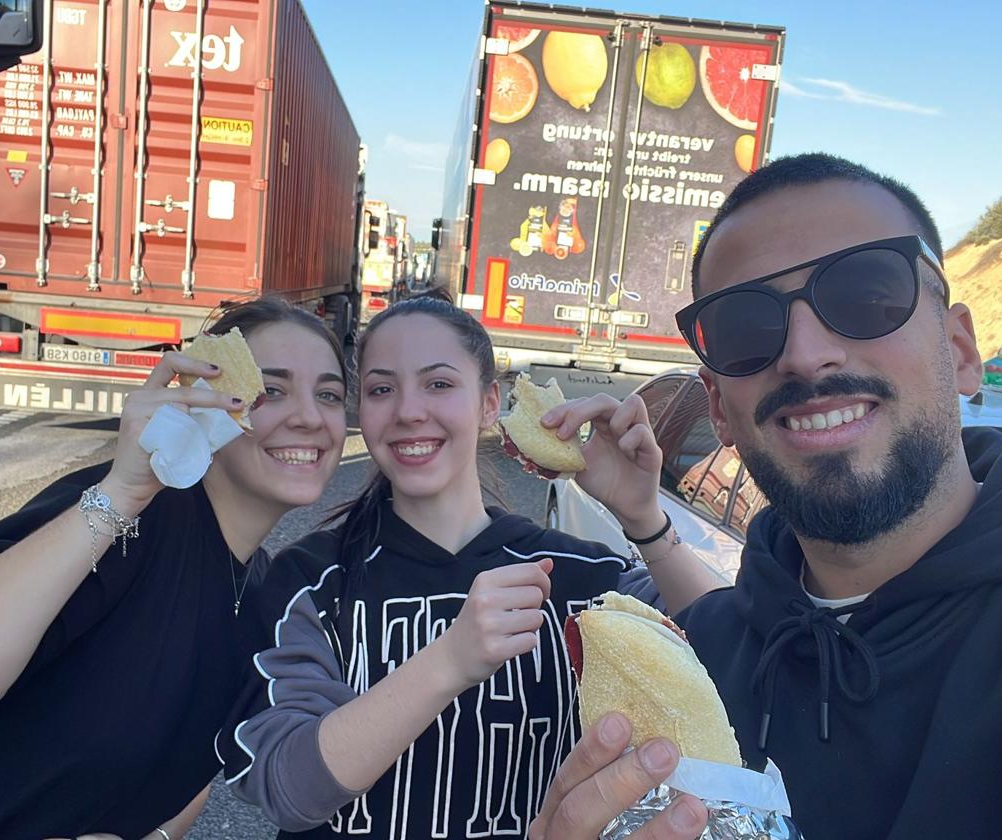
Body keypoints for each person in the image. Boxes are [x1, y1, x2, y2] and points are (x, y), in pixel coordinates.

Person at [533, 152, 1002, 839]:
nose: (806, 354)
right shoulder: (711, 657)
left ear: (960, 350)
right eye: (746, 329)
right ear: (719, 409)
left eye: (866, 294)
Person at [216, 291, 723, 838]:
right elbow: (289, 789)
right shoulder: (311, 581)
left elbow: (736, 658)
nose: (410, 411)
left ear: (489, 403)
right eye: (383, 389)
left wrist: (645, 519)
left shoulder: (580, 577)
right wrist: (448, 661)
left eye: (439, 384)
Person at [0, 297, 349, 839]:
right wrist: (121, 493)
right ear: (211, 401)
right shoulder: (128, 516)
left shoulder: (263, 592)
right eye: (271, 391)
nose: (309, 416)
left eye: (329, 395)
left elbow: (197, 762)